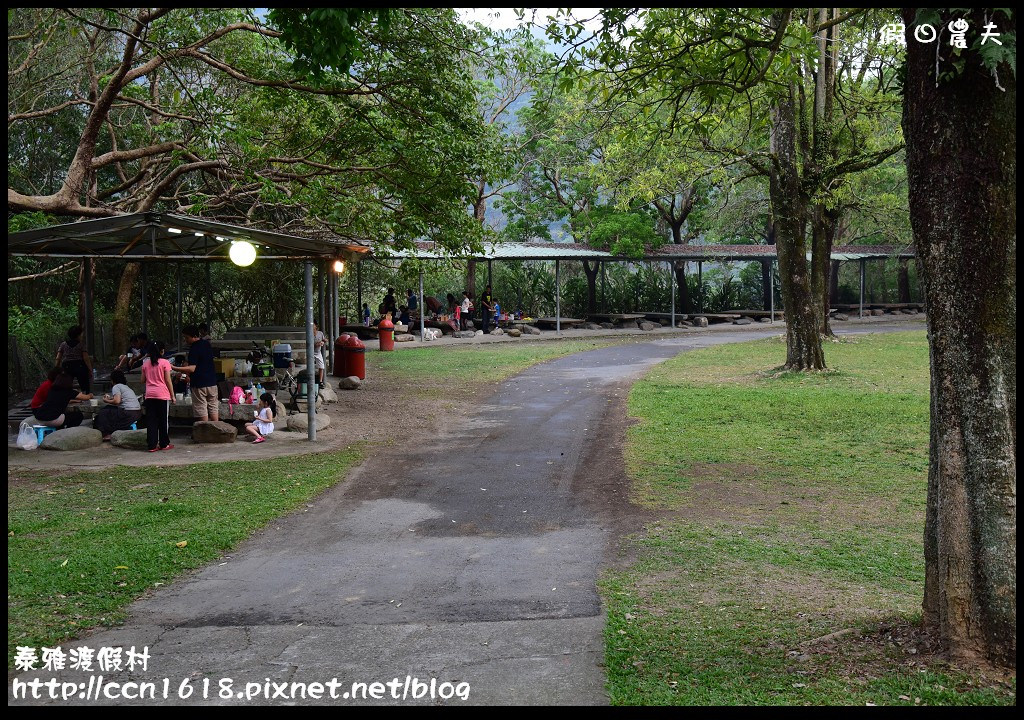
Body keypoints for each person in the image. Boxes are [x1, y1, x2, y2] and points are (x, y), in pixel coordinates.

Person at [176, 325, 219, 422]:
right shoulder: (206, 344)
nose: (185, 340)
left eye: (186, 337)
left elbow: (192, 368)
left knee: (201, 409)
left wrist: (175, 368)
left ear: (193, 336)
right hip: (212, 382)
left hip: (199, 384)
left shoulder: (194, 349)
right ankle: (217, 429)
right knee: (213, 407)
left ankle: (205, 431)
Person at [141, 340, 175, 452]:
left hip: (149, 395)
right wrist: (173, 396)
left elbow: (142, 380)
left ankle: (151, 445)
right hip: (162, 395)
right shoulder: (165, 363)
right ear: (162, 351)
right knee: (162, 420)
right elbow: (168, 381)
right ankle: (164, 443)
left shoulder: (145, 364)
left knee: (151, 420)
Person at [94, 369, 142, 440]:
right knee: (109, 409)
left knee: (103, 412)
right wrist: (110, 399)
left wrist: (106, 400)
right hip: (137, 413)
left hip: (128, 413)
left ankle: (106, 434)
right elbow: (120, 399)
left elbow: (117, 401)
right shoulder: (126, 387)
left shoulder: (116, 386)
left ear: (113, 380)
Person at [55, 325, 93, 393]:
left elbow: (58, 358)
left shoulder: (63, 344)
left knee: (66, 383)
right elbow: (86, 358)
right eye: (81, 334)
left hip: (67, 366)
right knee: (84, 382)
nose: (82, 336)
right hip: (79, 365)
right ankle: (86, 394)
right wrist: (90, 369)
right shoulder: (81, 345)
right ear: (78, 335)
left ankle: (66, 395)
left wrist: (56, 367)